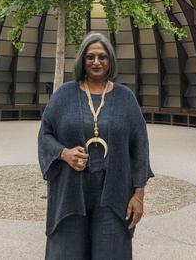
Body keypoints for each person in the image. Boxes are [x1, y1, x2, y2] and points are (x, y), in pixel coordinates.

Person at [38, 31, 153, 259]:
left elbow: (140, 147)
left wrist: (138, 196)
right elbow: (45, 135)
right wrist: (64, 153)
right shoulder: (63, 96)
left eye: (102, 57)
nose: (96, 62)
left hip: (114, 193)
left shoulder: (125, 98)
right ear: (82, 60)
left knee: (110, 251)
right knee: (66, 252)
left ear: (110, 61)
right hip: (71, 191)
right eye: (90, 57)